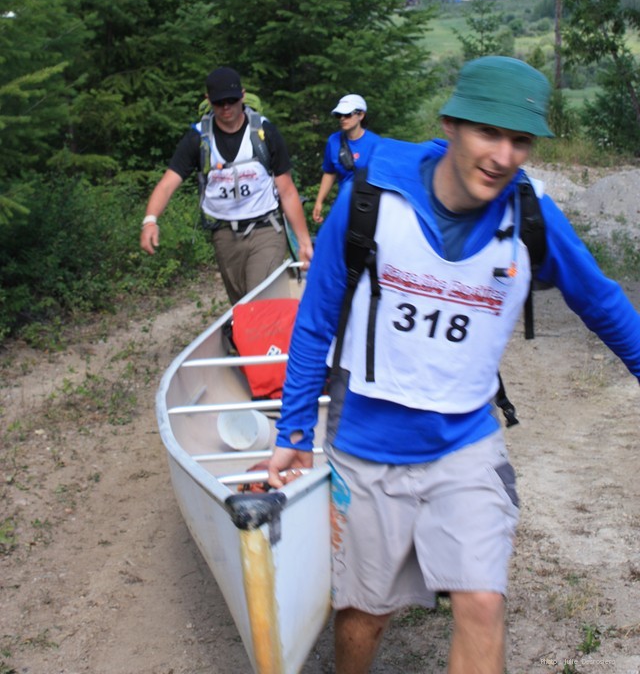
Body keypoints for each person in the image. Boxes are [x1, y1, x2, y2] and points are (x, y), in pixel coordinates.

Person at [267, 55, 640, 674]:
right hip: (367, 443)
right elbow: (315, 321)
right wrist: (294, 432)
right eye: (488, 133)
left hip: (466, 443)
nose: (503, 156)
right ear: (451, 125)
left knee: (482, 603)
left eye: (520, 140)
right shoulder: (371, 199)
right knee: (364, 612)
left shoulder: (530, 216)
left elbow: (601, 302)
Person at [140, 66, 313, 304]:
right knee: (240, 305)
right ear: (208, 100)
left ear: (242, 95)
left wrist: (303, 241)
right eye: (219, 102)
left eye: (232, 100)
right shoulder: (198, 138)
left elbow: (287, 191)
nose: (226, 107)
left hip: (266, 229)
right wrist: (150, 220)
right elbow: (168, 184)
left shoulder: (264, 133)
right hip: (224, 235)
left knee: (260, 302)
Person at [312, 94, 379, 224]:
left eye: (347, 114)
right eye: (339, 115)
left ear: (361, 115)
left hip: (369, 205)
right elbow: (329, 172)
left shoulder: (375, 143)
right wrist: (319, 202)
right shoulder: (333, 141)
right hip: (344, 204)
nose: (342, 119)